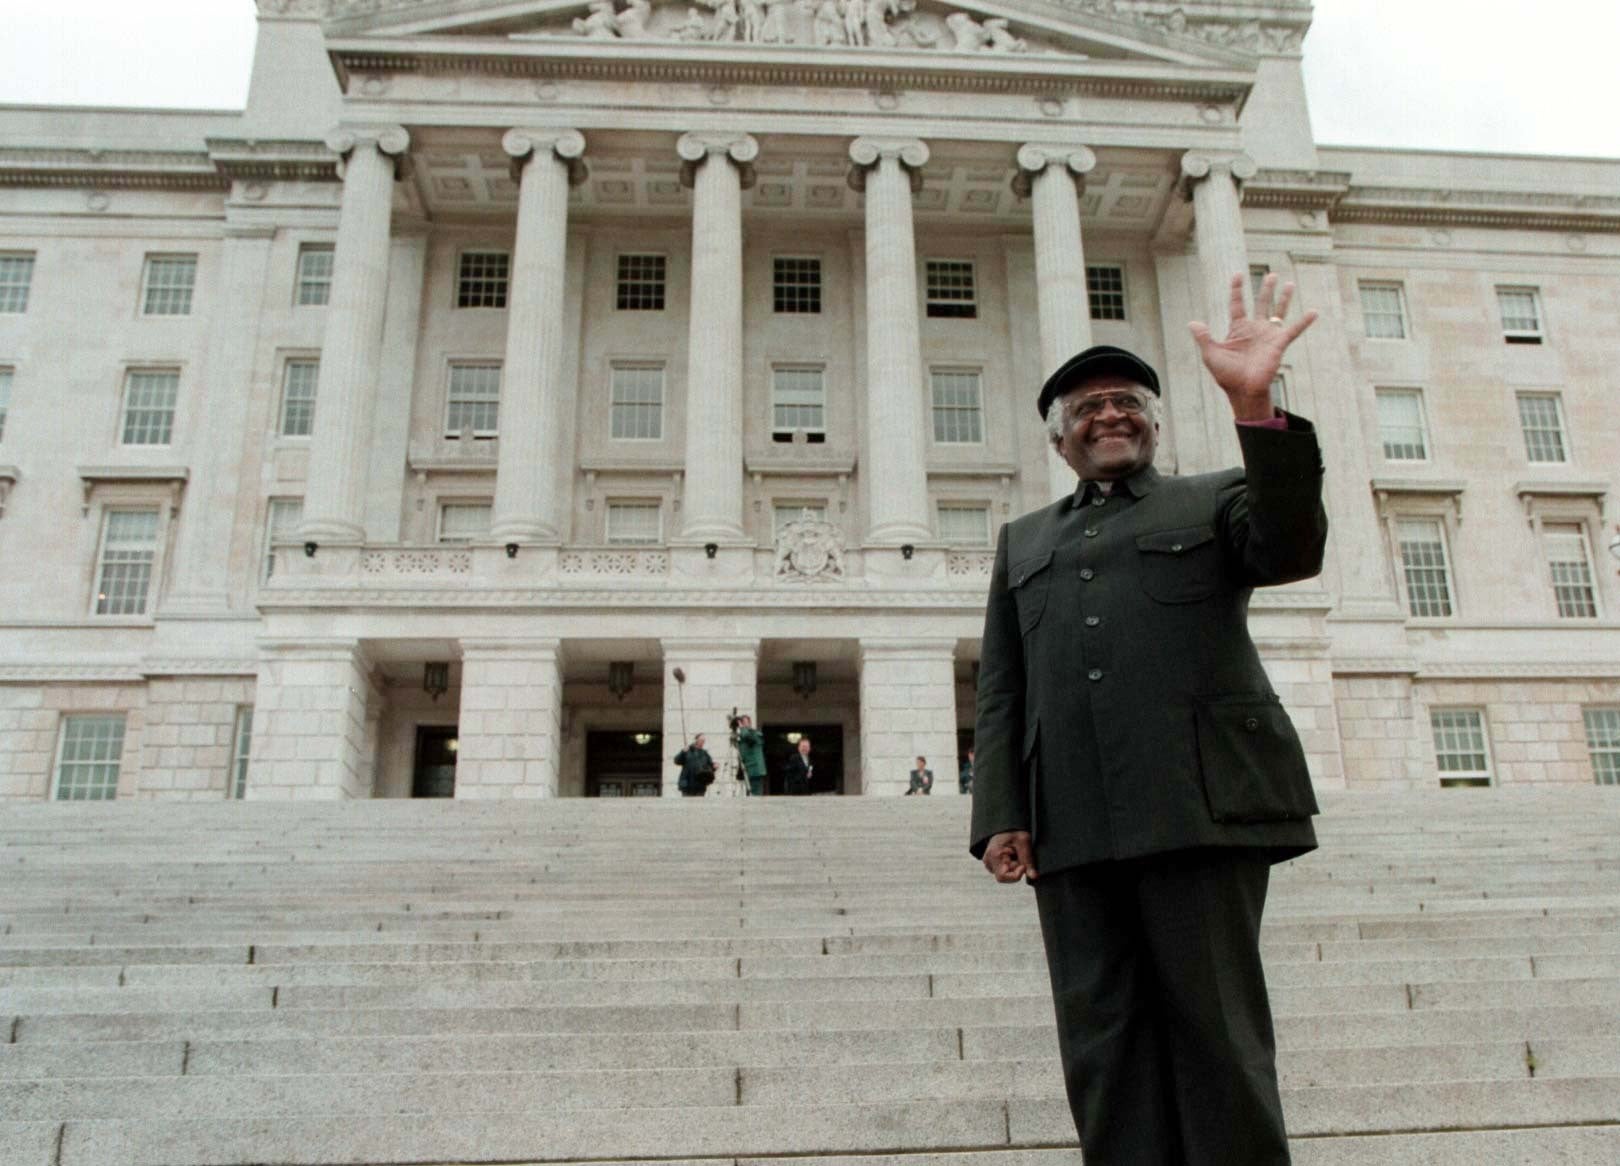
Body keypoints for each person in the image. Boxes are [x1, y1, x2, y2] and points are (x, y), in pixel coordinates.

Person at [971, 273, 1325, 1166]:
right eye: (1087, 408)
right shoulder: (1024, 540)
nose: (1109, 415)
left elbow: (1292, 547)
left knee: (1218, 1041)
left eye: (1126, 401)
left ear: (1154, 424)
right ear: (1062, 441)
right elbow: (1004, 688)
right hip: (1073, 827)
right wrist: (1000, 813)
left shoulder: (1211, 499)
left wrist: (1257, 407)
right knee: (1103, 1051)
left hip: (1200, 811)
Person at [735, 714, 767, 797]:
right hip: (747, 769)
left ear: (750, 723)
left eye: (744, 722)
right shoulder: (742, 736)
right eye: (741, 722)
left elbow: (748, 737)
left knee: (755, 794)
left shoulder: (755, 734)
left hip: (755, 770)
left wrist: (742, 728)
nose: (742, 725)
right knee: (749, 794)